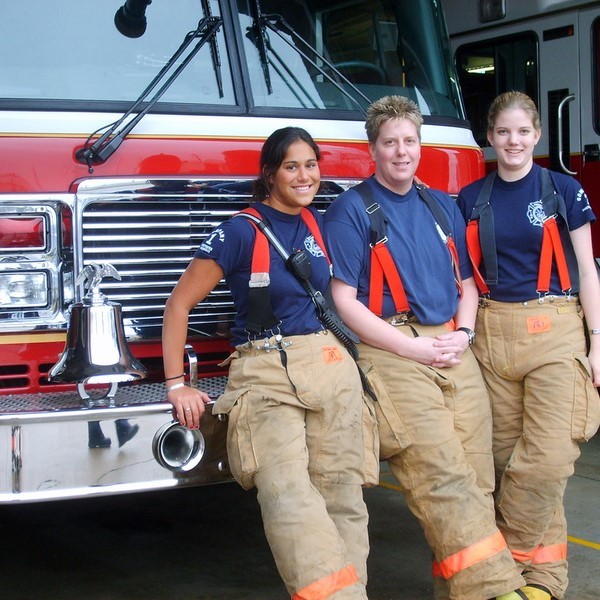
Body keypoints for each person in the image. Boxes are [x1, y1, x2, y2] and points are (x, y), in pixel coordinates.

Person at [324, 95, 528, 600]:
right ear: (372, 149)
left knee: (478, 478)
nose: (401, 152)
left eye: (409, 141)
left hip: (452, 345)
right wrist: (412, 350)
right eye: (389, 143)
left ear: (420, 144)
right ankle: (499, 590)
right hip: (391, 348)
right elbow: (343, 302)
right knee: (441, 474)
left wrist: (463, 334)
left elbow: (468, 284)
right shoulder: (350, 211)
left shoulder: (441, 205)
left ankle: (460, 593)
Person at [162, 127, 377, 600]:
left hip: (328, 365)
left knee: (343, 495)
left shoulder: (320, 225)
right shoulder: (239, 230)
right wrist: (177, 384)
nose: (305, 176)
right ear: (269, 174)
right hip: (265, 374)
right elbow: (178, 305)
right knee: (288, 495)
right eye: (292, 166)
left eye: (312, 165)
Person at [457, 91, 600, 600]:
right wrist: (463, 335)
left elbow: (588, 271)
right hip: (493, 336)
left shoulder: (564, 191)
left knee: (547, 459)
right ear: (489, 138)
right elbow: (466, 281)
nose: (513, 141)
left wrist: (597, 343)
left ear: (537, 135)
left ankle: (499, 567)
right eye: (503, 132)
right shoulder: (470, 198)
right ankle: (540, 584)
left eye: (523, 132)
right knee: (506, 462)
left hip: (556, 328)